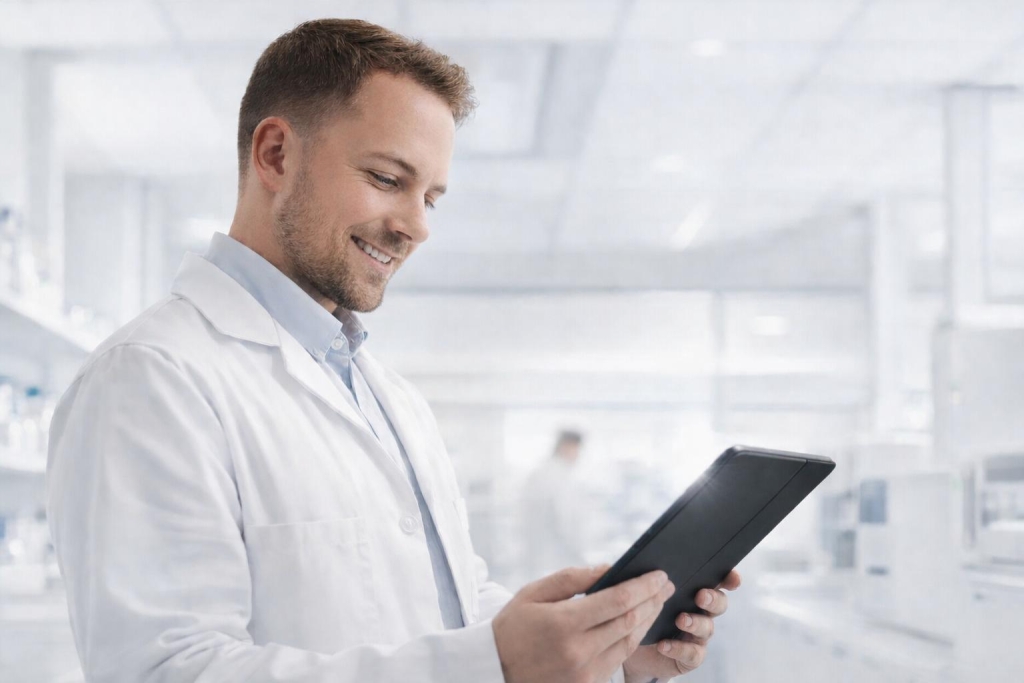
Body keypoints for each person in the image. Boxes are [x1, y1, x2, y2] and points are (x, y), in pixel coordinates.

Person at [46, 19, 740, 683]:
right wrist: (491, 666)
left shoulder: (388, 396)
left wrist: (601, 650)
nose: (415, 226)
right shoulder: (151, 379)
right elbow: (166, 670)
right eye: (387, 179)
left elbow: (448, 607)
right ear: (275, 155)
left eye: (431, 197)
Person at [521, 430, 592, 579]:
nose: (578, 455)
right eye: (577, 449)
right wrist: (580, 552)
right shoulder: (558, 477)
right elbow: (565, 522)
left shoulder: (541, 471)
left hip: (539, 555)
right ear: (565, 446)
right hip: (553, 557)